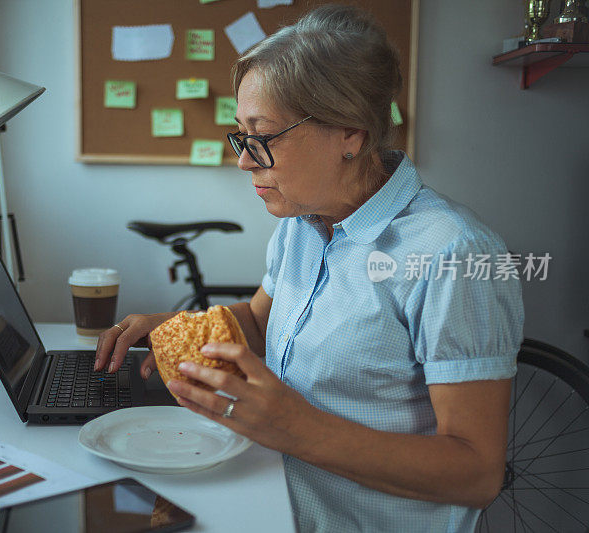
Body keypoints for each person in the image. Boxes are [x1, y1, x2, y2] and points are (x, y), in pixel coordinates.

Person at [95, 5, 523, 532]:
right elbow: (256, 324)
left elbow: (478, 473)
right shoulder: (302, 222)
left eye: (264, 136)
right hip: (270, 498)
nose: (244, 160)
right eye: (240, 135)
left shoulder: (454, 253)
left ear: (351, 133)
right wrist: (174, 326)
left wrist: (294, 428)